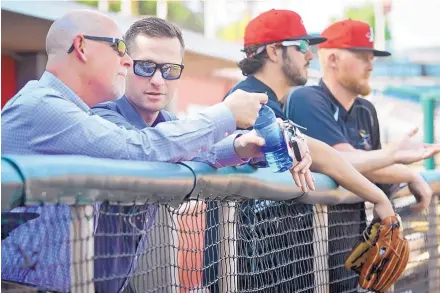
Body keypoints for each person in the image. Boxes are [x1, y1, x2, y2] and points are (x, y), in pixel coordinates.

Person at [0, 9, 287, 293]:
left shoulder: (68, 109)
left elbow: (181, 149)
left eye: (170, 69)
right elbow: (139, 149)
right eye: (119, 48)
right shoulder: (44, 105)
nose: (125, 61)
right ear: (81, 47)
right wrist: (225, 113)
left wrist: (241, 145)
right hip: (20, 284)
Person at [209, 9, 440, 293]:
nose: (310, 55)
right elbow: (321, 155)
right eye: (302, 46)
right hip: (248, 269)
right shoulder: (248, 98)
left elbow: (319, 154)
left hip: (269, 265)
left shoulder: (273, 101)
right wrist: (381, 190)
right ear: (272, 51)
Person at [286, 19, 439, 291]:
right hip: (302, 256)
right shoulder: (306, 99)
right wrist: (402, 167)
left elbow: (370, 169)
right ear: (332, 59)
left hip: (350, 249)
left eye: (372, 57)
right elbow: (343, 159)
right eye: (362, 57)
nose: (371, 65)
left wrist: (403, 174)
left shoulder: (366, 110)